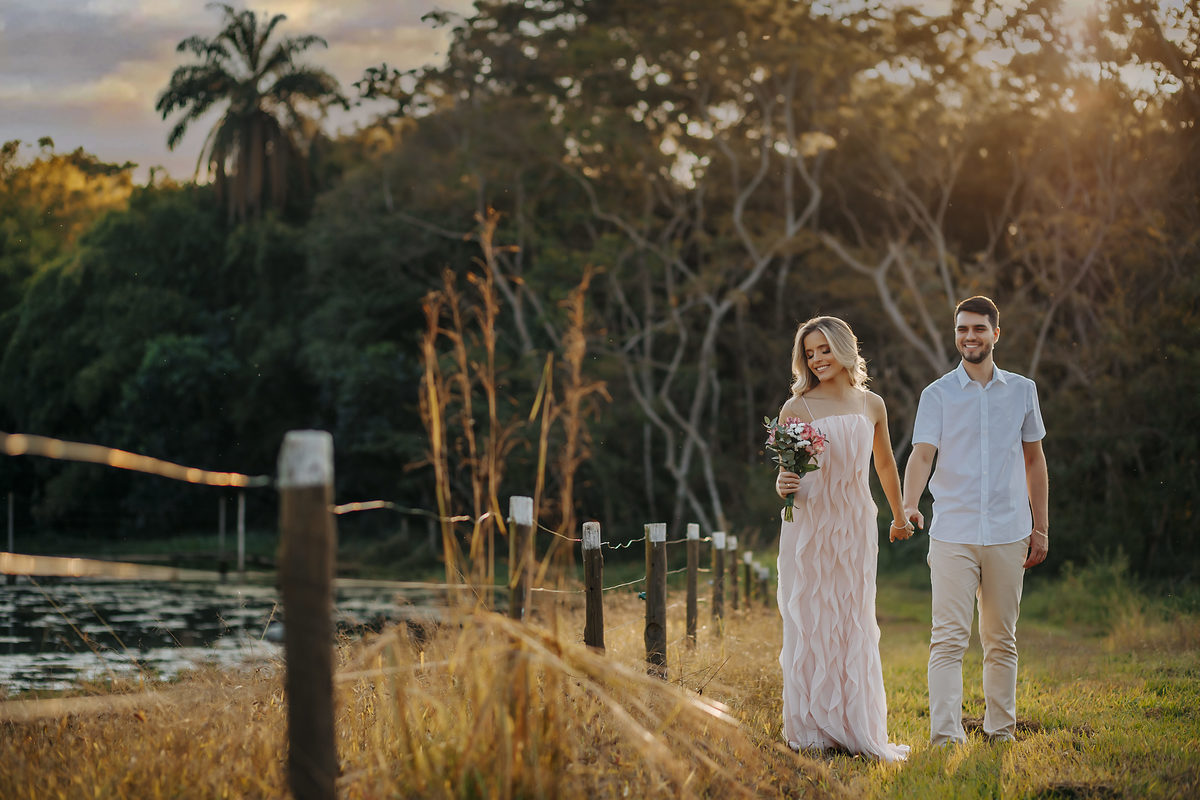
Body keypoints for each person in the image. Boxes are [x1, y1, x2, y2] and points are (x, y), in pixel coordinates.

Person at [901, 295, 1050, 746]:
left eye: (979, 329)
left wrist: (1039, 526)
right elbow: (921, 454)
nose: (970, 336)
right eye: (963, 329)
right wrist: (910, 504)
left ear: (995, 334)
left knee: (1001, 639)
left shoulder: (1023, 390)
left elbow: (1035, 461)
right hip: (953, 534)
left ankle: (1001, 731)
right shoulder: (937, 394)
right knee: (948, 640)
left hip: (1008, 532)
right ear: (956, 334)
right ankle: (946, 736)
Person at [775, 315, 912, 761]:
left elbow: (886, 465)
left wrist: (899, 516)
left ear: (844, 348)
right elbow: (787, 472)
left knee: (852, 618)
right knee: (812, 616)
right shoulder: (796, 408)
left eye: (823, 350)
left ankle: (855, 724)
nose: (816, 360)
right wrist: (783, 483)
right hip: (810, 524)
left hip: (854, 523)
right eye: (809, 353)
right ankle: (812, 727)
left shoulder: (871, 404)